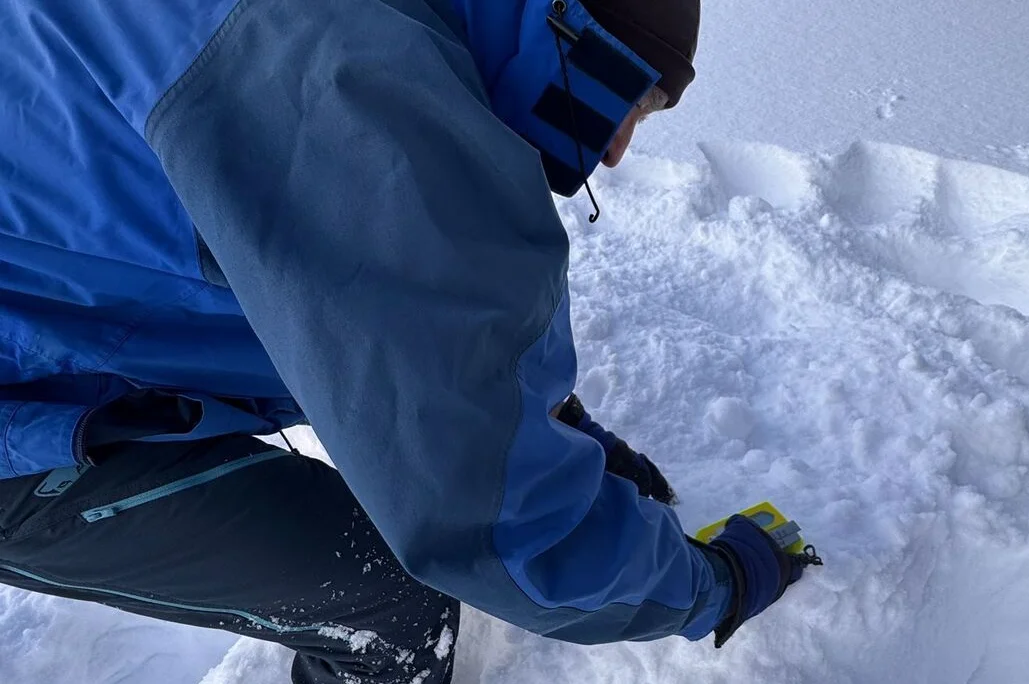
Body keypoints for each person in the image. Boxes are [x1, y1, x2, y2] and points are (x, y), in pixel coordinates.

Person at [0, 0, 817, 682]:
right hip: (17, 417)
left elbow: (384, 306)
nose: (615, 148)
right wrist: (716, 586)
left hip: (43, 301)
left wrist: (528, 419)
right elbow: (504, 533)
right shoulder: (343, 84)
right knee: (387, 606)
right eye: (627, 96)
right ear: (559, 22)